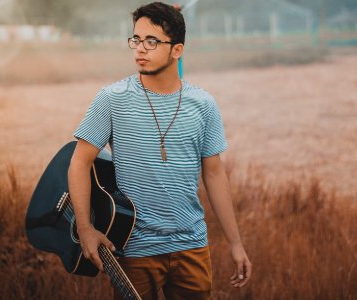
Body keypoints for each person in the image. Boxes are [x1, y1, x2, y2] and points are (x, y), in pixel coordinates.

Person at [68, 2, 251, 299]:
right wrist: (86, 228)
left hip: (192, 247)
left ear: (176, 50)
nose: (140, 49)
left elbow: (215, 175)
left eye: (152, 41)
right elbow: (79, 162)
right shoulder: (112, 99)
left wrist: (235, 243)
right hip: (134, 251)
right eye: (136, 39)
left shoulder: (203, 105)